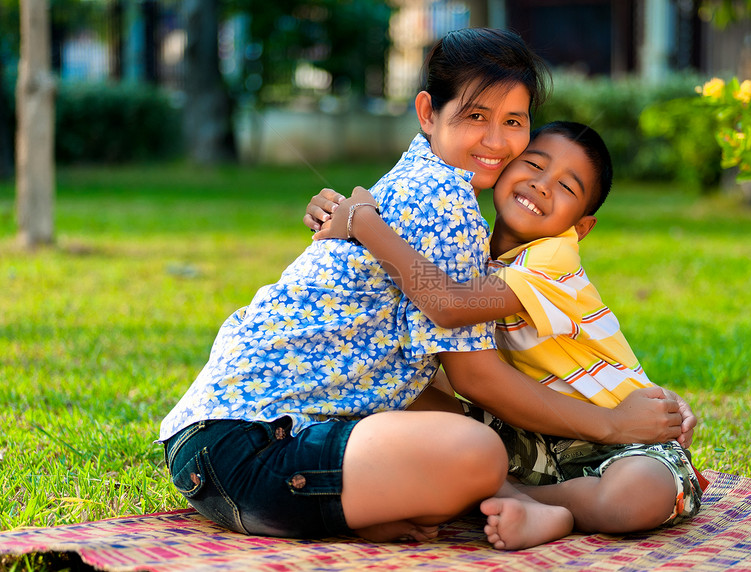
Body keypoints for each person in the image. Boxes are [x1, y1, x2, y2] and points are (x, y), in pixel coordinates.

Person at [160, 28, 685, 551]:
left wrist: (364, 221)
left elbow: (448, 322)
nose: (497, 142)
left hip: (212, 450)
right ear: (428, 112)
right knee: (476, 452)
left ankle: (382, 507)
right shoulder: (444, 202)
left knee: (444, 420)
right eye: (476, 117)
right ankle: (509, 502)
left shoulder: (425, 186)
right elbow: (470, 366)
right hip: (257, 452)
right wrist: (614, 425)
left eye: (514, 123)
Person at [310, 121, 706, 544]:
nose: (541, 185)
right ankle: (517, 502)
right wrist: (332, 214)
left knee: (635, 496)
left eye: (567, 188)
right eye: (533, 164)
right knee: (390, 390)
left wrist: (363, 223)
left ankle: (527, 504)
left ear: (581, 227)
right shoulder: (466, 243)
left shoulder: (553, 257)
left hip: (623, 434)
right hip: (523, 432)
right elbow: (418, 319)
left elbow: (450, 304)